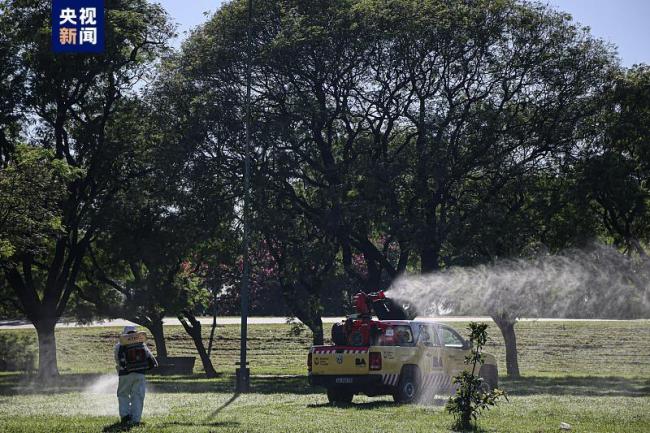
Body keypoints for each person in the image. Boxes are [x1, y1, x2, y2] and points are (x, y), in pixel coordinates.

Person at [114, 325, 158, 425]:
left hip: (124, 374)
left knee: (123, 395)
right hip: (140, 373)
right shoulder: (141, 344)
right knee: (138, 396)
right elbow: (150, 358)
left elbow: (117, 360)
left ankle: (125, 416)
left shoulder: (120, 345)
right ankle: (135, 420)